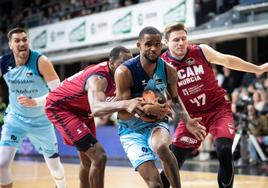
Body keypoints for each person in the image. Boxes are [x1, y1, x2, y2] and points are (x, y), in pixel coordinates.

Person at [160, 22, 268, 188]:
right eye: (176, 40)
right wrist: (187, 120)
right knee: (173, 160)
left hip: (218, 109)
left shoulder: (201, 50)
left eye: (183, 38)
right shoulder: (162, 65)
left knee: (224, 149)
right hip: (191, 116)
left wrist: (256, 68)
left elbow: (227, 60)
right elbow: (172, 97)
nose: (181, 43)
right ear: (166, 42)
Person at [114, 26, 205, 188]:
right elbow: (122, 112)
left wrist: (187, 120)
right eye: (148, 44)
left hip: (156, 122)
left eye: (157, 44)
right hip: (130, 130)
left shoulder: (169, 71)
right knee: (155, 185)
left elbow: (175, 100)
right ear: (139, 45)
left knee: (162, 147)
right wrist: (145, 109)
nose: (153, 48)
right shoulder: (124, 72)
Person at [45, 46, 140, 188]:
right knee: (99, 156)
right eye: (123, 63)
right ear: (111, 63)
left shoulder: (123, 75)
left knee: (88, 161)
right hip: (61, 108)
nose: (127, 67)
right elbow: (97, 108)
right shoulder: (98, 78)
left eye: (129, 63)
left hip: (84, 111)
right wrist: (125, 103)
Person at [0, 28, 67, 188]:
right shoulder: (4, 63)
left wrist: (35, 102)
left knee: (55, 168)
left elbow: (58, 93)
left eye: (24, 39)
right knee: (1, 165)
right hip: (15, 119)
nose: (22, 43)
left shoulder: (40, 61)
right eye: (17, 41)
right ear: (10, 45)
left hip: (41, 121)